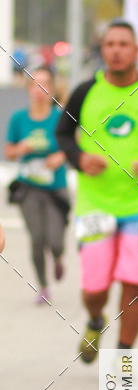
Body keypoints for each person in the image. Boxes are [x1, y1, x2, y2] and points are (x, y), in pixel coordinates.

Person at [56, 19, 138, 362]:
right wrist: (78, 157)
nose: (115, 50)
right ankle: (96, 319)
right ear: (102, 50)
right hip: (94, 204)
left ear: (136, 51)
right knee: (94, 286)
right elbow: (63, 137)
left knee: (135, 282)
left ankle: (123, 356)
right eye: (109, 44)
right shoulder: (85, 91)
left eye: (123, 44)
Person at [5, 66, 69, 305]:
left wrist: (60, 157)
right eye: (34, 84)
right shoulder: (18, 119)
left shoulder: (60, 118)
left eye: (44, 84)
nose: (39, 89)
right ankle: (43, 286)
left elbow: (72, 147)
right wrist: (20, 149)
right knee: (37, 238)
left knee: (55, 239)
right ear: (29, 89)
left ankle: (59, 256)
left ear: (51, 89)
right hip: (29, 187)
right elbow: (9, 152)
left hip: (56, 187)